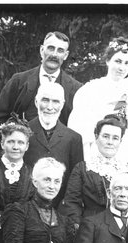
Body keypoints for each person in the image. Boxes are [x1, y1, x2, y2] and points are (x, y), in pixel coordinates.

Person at [63, 114, 128, 243]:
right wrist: (81, 231)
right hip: (92, 232)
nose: (110, 142)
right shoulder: (82, 168)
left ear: (120, 141)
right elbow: (72, 204)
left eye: (115, 138)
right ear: (96, 137)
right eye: (105, 136)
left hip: (126, 232)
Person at [68, 37, 128, 162]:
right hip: (97, 153)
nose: (122, 68)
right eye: (118, 61)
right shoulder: (90, 89)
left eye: (127, 63)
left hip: (125, 152)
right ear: (107, 61)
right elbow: (81, 130)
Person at [0, 31, 82, 127]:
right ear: (42, 50)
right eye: (51, 48)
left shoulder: (75, 89)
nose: (54, 55)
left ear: (66, 55)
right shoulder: (18, 81)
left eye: (60, 51)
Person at [25, 82, 83, 210]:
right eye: (45, 100)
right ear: (36, 101)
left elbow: (75, 180)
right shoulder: (22, 133)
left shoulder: (74, 138)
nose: (50, 107)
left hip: (60, 210)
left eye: (56, 102)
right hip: (26, 208)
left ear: (62, 104)